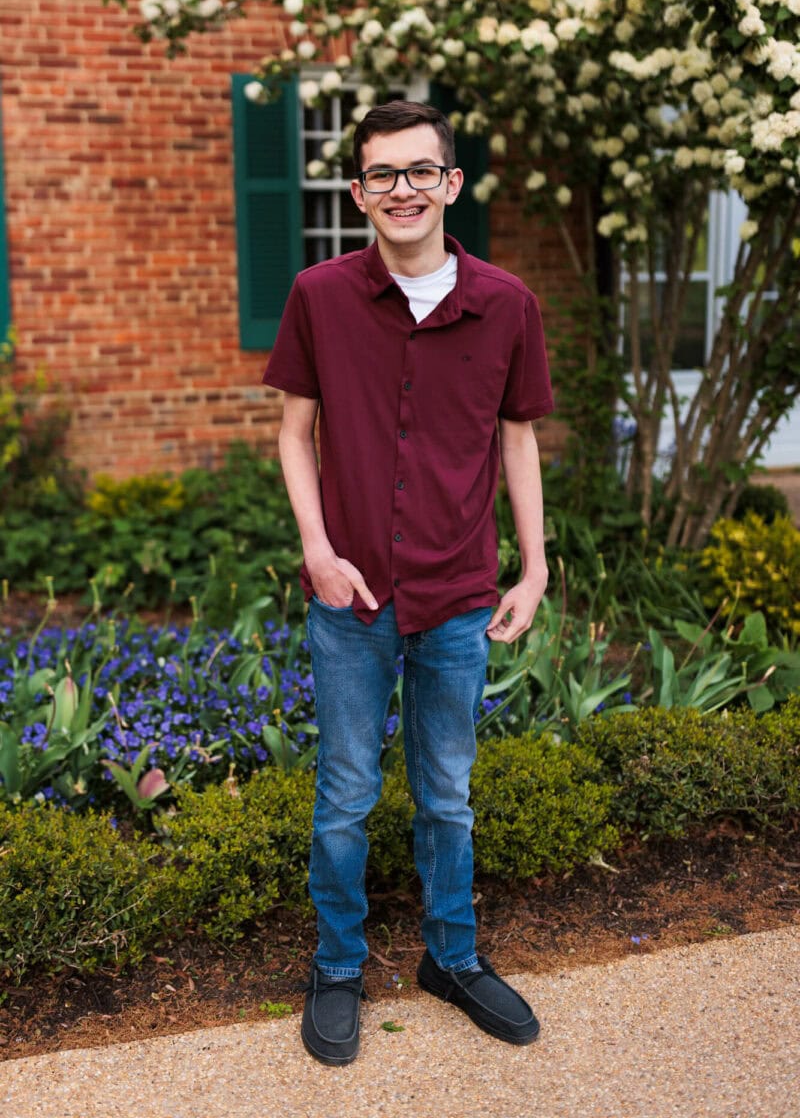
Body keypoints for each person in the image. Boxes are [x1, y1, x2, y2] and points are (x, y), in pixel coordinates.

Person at [262, 100, 553, 1066]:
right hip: (350, 599)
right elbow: (293, 433)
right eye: (382, 174)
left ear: (451, 185)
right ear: (358, 193)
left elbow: (518, 439)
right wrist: (315, 547)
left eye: (420, 172)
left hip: (460, 596)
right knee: (344, 795)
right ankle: (338, 965)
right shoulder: (320, 295)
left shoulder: (507, 304)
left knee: (449, 795)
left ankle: (452, 959)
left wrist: (535, 562)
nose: (402, 190)